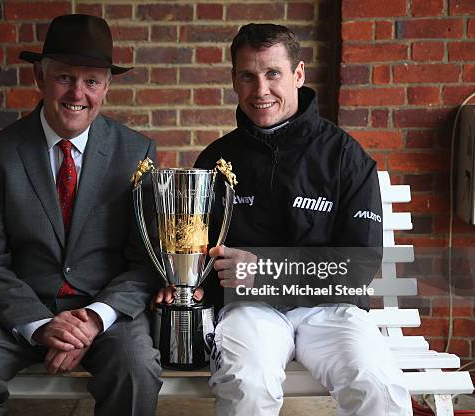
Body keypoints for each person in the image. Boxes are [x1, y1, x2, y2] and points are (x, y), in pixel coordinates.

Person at [156, 23, 412, 415]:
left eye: (273, 73)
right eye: (248, 76)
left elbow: (358, 264)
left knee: (377, 385)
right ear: (234, 81)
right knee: (247, 383)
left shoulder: (345, 156)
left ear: (298, 75)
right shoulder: (215, 161)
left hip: (329, 308)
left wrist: (269, 270)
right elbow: (199, 254)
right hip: (249, 308)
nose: (261, 90)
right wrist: (189, 286)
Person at [0, 14, 162, 416]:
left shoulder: (136, 153)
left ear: (106, 86)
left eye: (92, 81)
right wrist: (41, 326)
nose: (78, 92)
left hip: (104, 313)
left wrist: (92, 320)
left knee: (137, 368)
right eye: (64, 78)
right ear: (40, 77)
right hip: (17, 312)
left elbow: (145, 262)